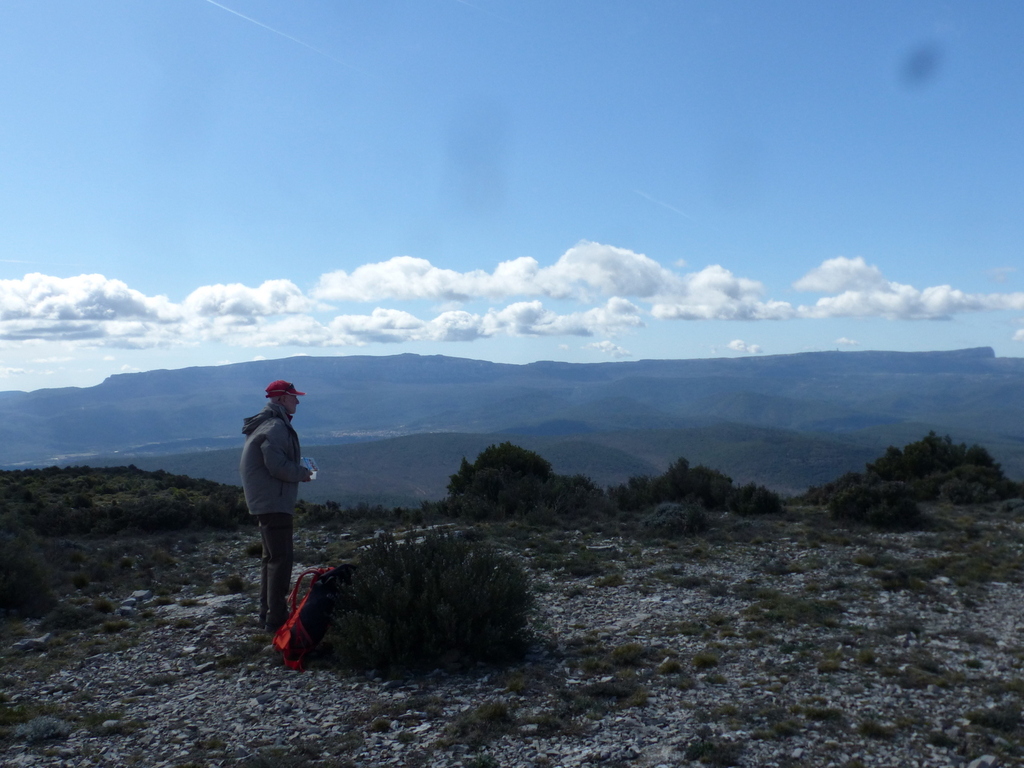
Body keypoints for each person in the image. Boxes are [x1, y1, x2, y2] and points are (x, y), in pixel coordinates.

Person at [240, 380, 313, 633]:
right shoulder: (275, 427)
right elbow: (277, 466)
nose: (298, 401)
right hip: (274, 502)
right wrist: (303, 473)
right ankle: (277, 620)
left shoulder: (264, 424)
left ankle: (268, 615)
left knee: (271, 559)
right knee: (281, 560)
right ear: (281, 399)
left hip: (266, 501)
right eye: (294, 397)